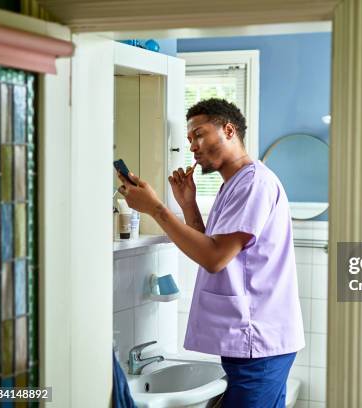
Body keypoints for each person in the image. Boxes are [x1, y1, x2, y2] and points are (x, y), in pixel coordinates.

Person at [116, 98, 304, 408]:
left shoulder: (253, 184)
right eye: (189, 139)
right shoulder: (234, 184)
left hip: (259, 341)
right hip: (250, 341)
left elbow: (215, 258)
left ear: (229, 130)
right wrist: (188, 204)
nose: (192, 146)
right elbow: (209, 245)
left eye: (199, 134)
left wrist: (155, 208)